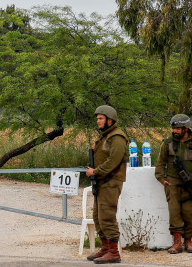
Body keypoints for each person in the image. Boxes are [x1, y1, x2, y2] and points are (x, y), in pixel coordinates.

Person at [155, 114, 192, 254]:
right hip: (172, 182)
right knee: (174, 212)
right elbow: (160, 163)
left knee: (190, 213)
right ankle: (177, 242)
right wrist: (162, 179)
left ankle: (189, 241)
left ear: (186, 128)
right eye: (174, 128)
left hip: (191, 183)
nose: (175, 131)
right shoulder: (167, 143)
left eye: (178, 128)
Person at [85, 105, 128, 264]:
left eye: (101, 118)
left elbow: (113, 162)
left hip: (111, 181)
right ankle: (105, 248)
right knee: (98, 216)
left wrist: (95, 171)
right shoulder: (105, 136)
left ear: (110, 120)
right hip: (102, 182)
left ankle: (113, 252)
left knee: (107, 216)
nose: (98, 121)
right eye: (97, 118)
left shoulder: (117, 137)